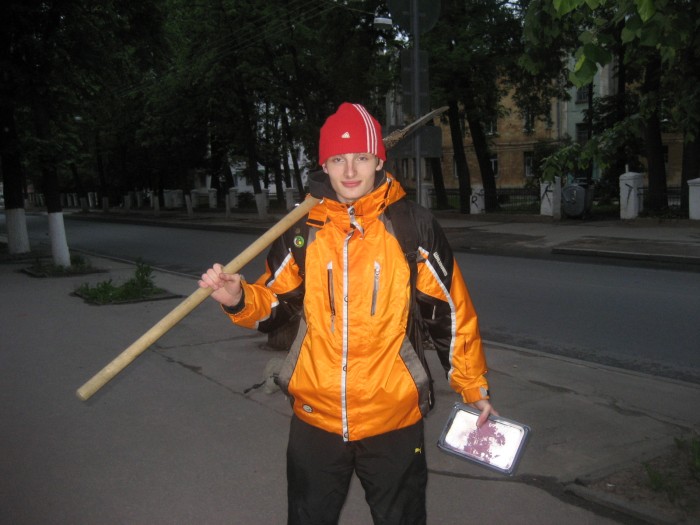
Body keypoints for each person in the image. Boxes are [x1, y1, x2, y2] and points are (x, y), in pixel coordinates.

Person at [199, 102, 496, 525]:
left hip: (393, 416)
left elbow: (451, 313)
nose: (351, 170)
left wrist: (472, 386)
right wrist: (238, 298)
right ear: (324, 165)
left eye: (361, 157)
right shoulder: (303, 229)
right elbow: (276, 307)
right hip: (315, 417)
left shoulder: (412, 226)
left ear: (379, 161)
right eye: (338, 159)